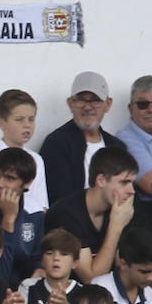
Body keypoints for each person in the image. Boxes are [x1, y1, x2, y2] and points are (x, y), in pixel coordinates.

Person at [44, 146, 138, 282]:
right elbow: (92, 278)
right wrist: (116, 227)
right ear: (101, 180)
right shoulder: (66, 214)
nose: (131, 191)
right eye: (124, 182)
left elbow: (124, 268)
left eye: (132, 183)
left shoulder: (119, 208)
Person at [40, 71, 126, 205]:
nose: (87, 106)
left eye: (95, 100)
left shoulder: (117, 147)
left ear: (108, 104)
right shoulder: (56, 144)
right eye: (81, 100)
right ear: (70, 103)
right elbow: (60, 199)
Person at [0, 89, 48, 216]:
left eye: (31, 119)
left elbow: (40, 206)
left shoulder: (36, 160)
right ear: (2, 123)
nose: (27, 125)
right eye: (19, 119)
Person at [0, 147, 45, 288]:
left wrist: (40, 269)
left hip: (23, 291)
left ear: (27, 183)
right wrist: (8, 219)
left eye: (9, 178)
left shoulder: (34, 210)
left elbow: (37, 256)